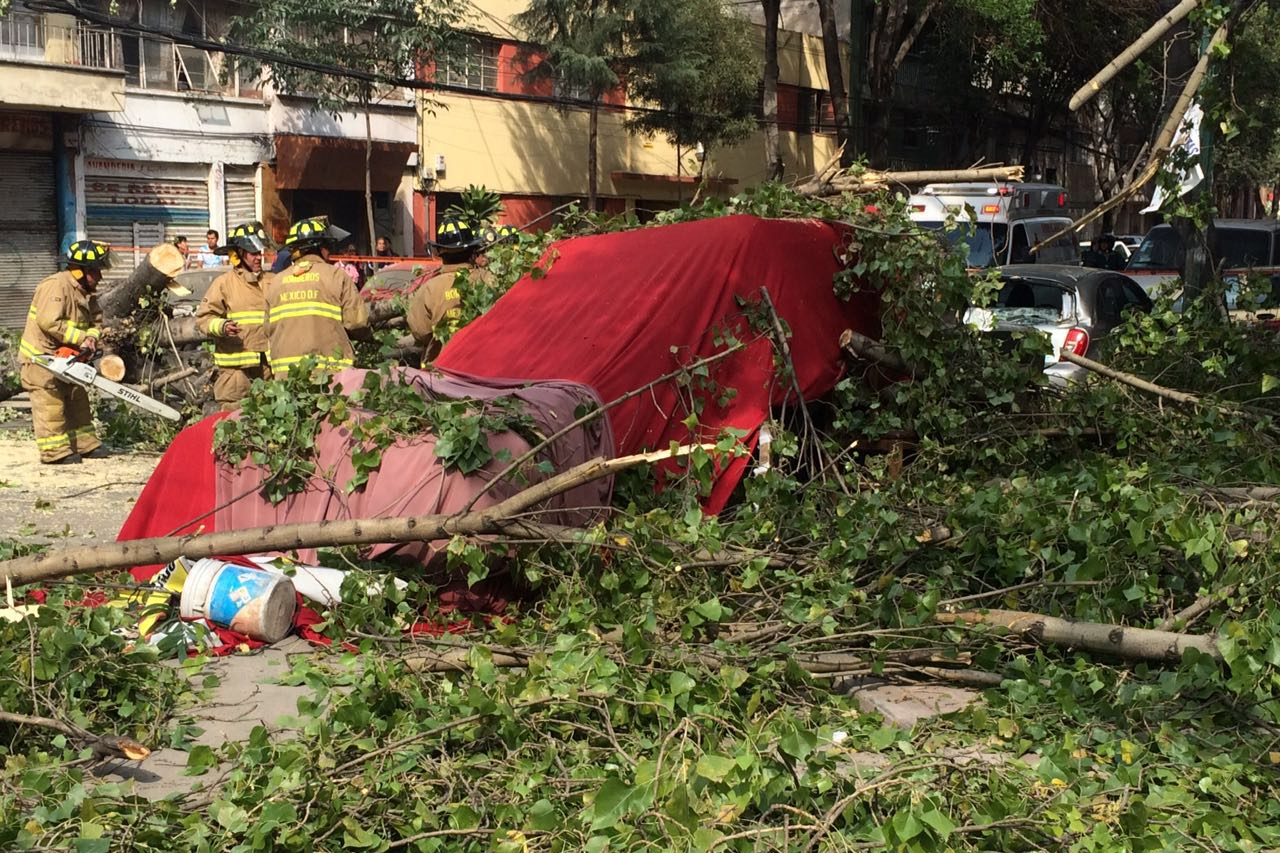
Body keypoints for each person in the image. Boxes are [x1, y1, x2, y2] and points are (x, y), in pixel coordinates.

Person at [18, 240, 112, 464]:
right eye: (95, 271)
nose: (99, 276)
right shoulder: (56, 286)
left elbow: (97, 321)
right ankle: (54, 452)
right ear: (79, 270)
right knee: (51, 404)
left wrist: (91, 337)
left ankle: (85, 443)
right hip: (42, 358)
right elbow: (49, 322)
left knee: (77, 399)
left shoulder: (85, 292)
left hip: (67, 358)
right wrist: (81, 338)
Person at [264, 217, 369, 374]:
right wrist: (369, 336)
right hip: (329, 376)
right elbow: (356, 323)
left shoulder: (276, 282)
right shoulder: (337, 276)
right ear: (321, 247)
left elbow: (267, 329)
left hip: (286, 376)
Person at [405, 217, 511, 366]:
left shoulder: (429, 289)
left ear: (440, 253)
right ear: (473, 250)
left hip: (441, 371)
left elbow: (420, 333)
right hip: (486, 368)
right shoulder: (489, 280)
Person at [195, 222, 274, 410]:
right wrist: (222, 327)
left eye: (259, 253)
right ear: (238, 253)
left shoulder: (273, 281)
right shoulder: (224, 284)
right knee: (234, 426)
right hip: (236, 375)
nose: (258, 258)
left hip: (269, 370)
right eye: (253, 253)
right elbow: (204, 318)